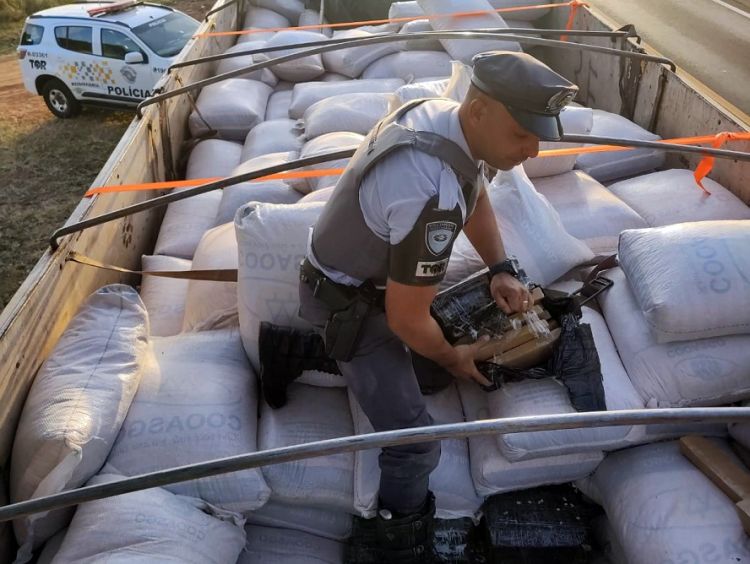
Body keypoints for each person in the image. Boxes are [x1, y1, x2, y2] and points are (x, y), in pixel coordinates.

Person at [297, 51, 579, 562]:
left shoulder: (439, 118)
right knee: (417, 444)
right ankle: (392, 545)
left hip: (365, 287)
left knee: (430, 369)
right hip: (348, 307)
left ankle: (295, 349)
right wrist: (453, 356)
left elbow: (475, 191)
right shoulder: (428, 191)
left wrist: (501, 268)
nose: (534, 151)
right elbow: (407, 319)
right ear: (479, 112)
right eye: (523, 135)